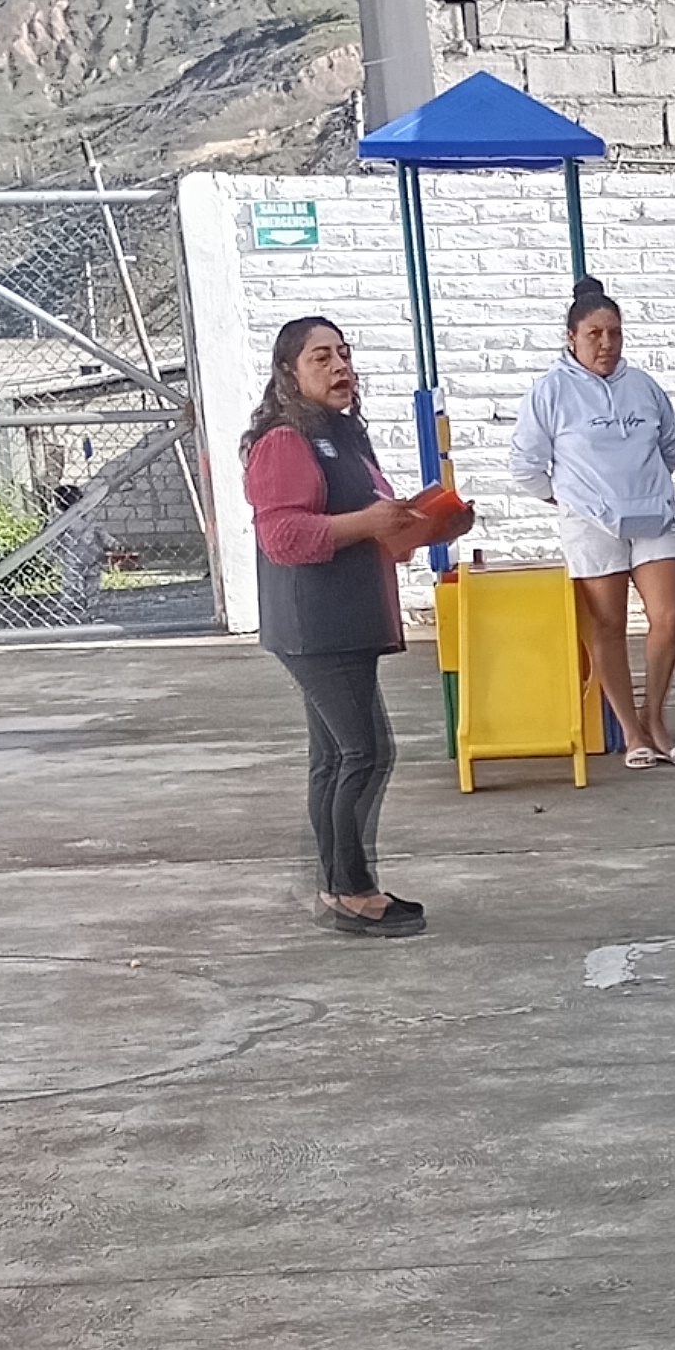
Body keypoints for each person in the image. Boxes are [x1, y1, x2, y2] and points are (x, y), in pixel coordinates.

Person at [241, 315, 434, 938]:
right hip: (316, 624)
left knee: (335, 757)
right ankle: (353, 891)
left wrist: (418, 525)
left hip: (348, 618)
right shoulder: (284, 441)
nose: (339, 366)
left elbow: (370, 516)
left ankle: (338, 886)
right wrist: (370, 524)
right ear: (289, 373)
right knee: (365, 753)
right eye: (320, 358)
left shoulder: (344, 435)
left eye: (343, 354)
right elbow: (283, 535)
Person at [505, 277, 675, 771]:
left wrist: (646, 483)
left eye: (614, 332)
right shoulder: (551, 391)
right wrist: (567, 499)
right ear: (572, 337)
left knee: (668, 616)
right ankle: (632, 733)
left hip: (652, 515)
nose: (606, 343)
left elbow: (670, 446)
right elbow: (527, 465)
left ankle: (655, 718)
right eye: (594, 334)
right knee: (610, 625)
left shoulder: (643, 386)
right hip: (590, 523)